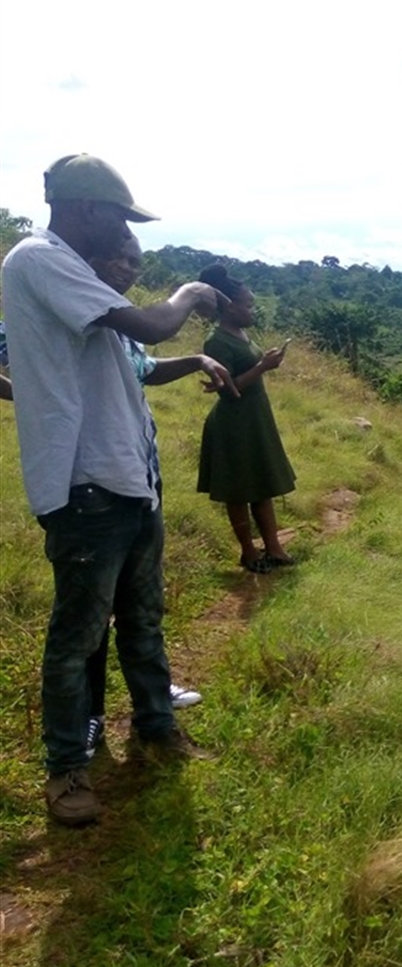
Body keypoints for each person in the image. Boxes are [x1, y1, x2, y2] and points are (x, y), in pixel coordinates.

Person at [2, 154, 234, 826]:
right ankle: (66, 770)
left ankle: (158, 731)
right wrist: (190, 295)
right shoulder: (36, 259)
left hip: (127, 480)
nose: (127, 233)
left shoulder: (73, 271)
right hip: (84, 484)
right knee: (76, 638)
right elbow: (153, 326)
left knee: (142, 620)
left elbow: (136, 363)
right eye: (120, 218)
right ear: (83, 210)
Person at [82, 234, 213, 759]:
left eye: (135, 261)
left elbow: (146, 369)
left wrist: (199, 360)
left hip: (139, 476)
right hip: (92, 482)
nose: (126, 268)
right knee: (90, 614)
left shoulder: (117, 320)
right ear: (85, 256)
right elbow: (11, 348)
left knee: (140, 605)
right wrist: (29, 395)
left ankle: (152, 709)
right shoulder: (70, 312)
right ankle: (87, 720)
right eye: (115, 255)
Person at [195, 264, 296, 573]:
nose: (253, 310)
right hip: (234, 425)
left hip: (254, 420)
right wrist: (263, 367)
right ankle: (249, 551)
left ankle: (275, 548)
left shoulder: (239, 333)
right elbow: (228, 391)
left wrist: (263, 363)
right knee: (238, 491)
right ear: (229, 307)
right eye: (248, 305)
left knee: (261, 485)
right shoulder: (216, 342)